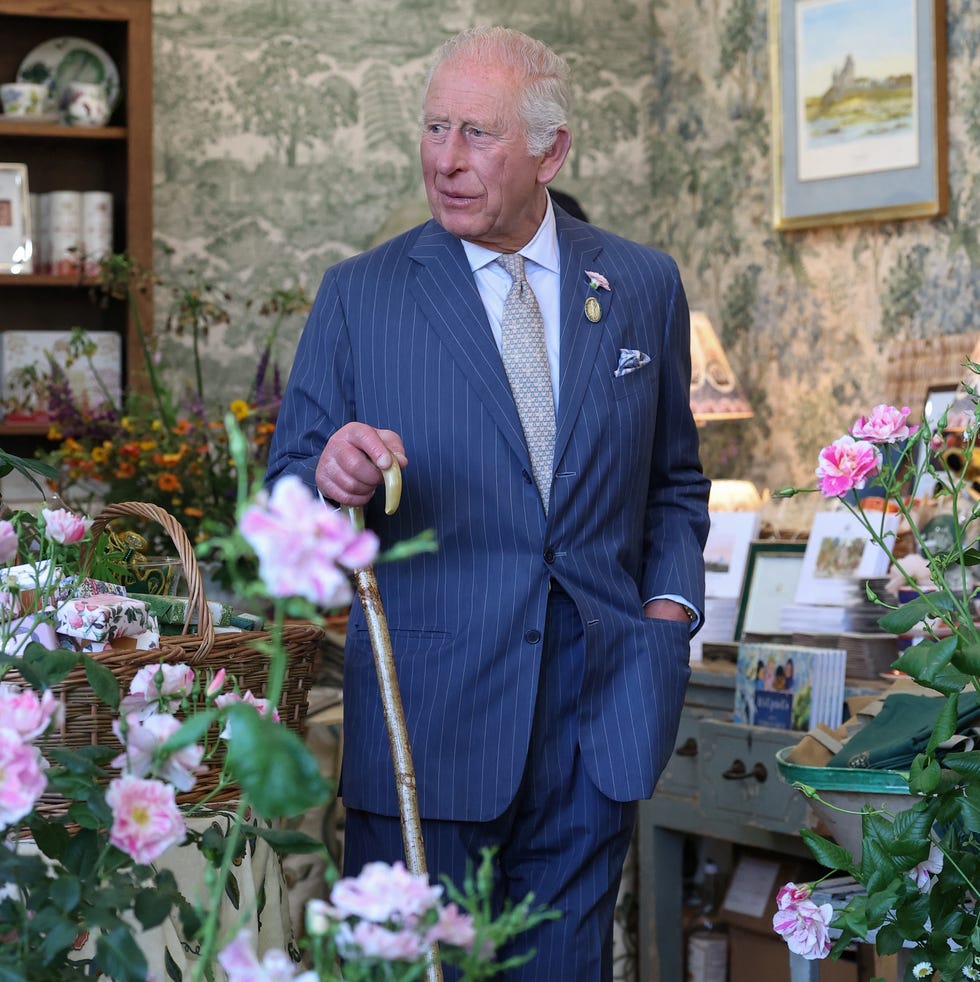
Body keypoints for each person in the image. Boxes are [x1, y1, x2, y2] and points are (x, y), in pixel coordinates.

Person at [266, 26, 710, 981]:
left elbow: (673, 480)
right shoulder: (360, 296)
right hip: (427, 727)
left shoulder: (642, 285)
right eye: (435, 128)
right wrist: (329, 478)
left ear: (551, 153)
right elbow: (287, 491)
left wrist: (667, 615)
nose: (446, 158)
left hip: (597, 722)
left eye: (478, 133)